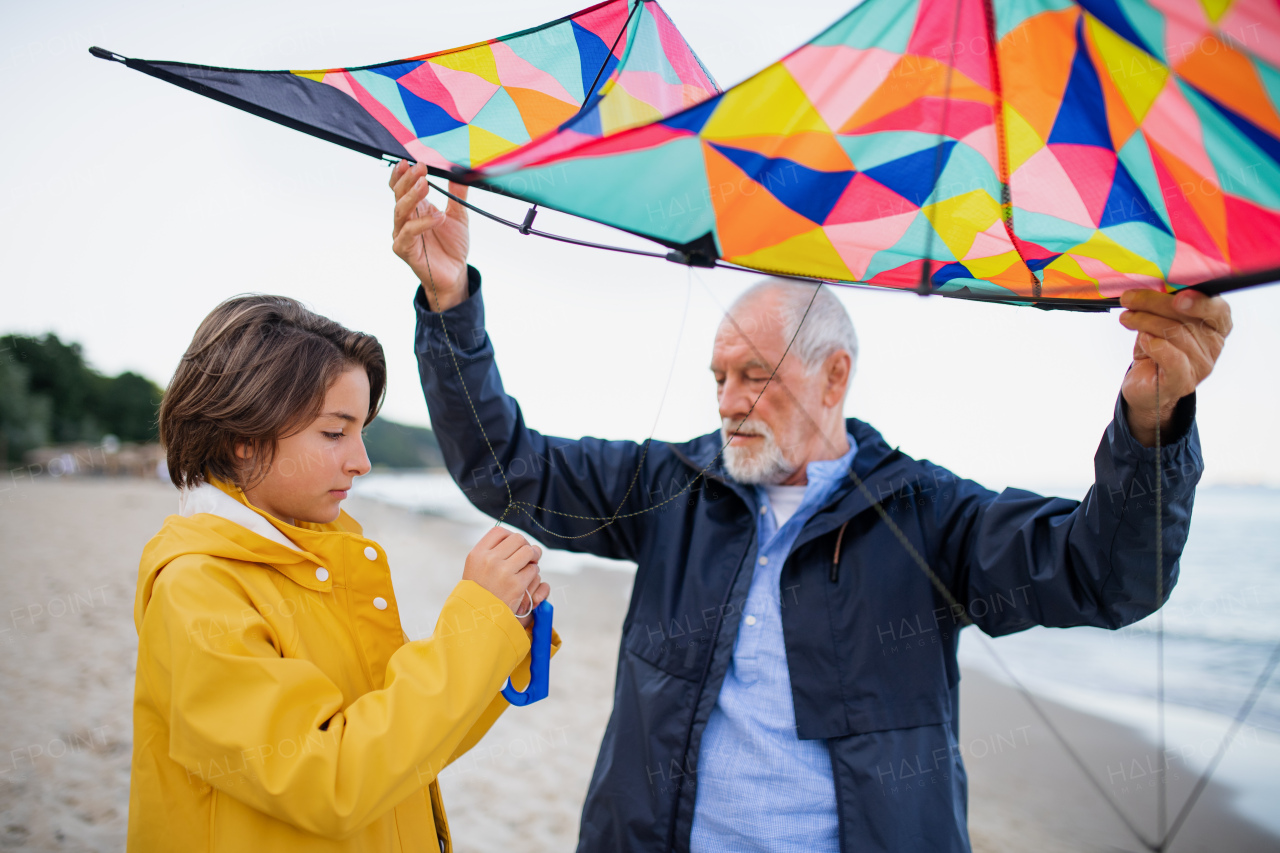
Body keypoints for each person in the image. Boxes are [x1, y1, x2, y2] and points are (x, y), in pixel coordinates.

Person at [389, 162, 1231, 853]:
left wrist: (1152, 428)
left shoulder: (928, 513)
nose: (729, 399)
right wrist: (449, 306)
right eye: (719, 378)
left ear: (835, 377)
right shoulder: (672, 488)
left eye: (755, 374)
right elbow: (507, 469)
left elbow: (1106, 576)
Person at [128, 294, 556, 851]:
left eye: (361, 433)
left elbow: (408, 749)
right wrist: (475, 627)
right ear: (243, 439)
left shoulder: (321, 560)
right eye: (335, 433)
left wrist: (504, 633)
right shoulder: (197, 588)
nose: (361, 461)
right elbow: (331, 782)